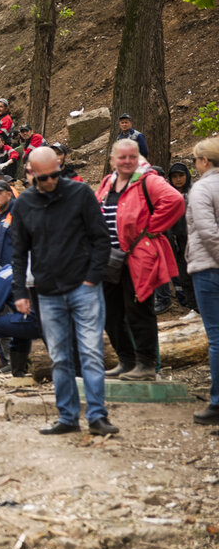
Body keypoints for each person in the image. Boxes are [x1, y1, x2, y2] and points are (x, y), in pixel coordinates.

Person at [11, 146, 116, 436]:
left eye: (55, 175)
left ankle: (97, 415)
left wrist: (93, 277)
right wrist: (20, 291)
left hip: (84, 286)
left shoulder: (80, 194)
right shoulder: (24, 205)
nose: (50, 182)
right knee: (59, 357)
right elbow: (19, 252)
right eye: (44, 178)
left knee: (91, 352)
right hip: (47, 291)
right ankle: (68, 416)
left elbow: (101, 238)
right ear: (31, 174)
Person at [95, 138, 184, 380]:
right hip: (111, 258)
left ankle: (145, 364)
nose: (126, 162)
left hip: (138, 257)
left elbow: (174, 201)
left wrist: (152, 228)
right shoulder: (107, 183)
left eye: (131, 157)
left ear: (138, 159)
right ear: (113, 160)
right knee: (109, 313)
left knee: (138, 310)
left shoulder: (148, 180)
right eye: (121, 157)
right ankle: (126, 360)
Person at [187, 138, 219, 424]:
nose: (194, 165)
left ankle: (217, 402)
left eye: (196, 160)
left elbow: (207, 232)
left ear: (205, 161)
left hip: (209, 268)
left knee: (217, 337)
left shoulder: (202, 188)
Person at [157, 161, 196, 312]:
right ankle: (190, 305)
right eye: (175, 177)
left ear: (187, 175)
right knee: (182, 275)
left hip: (193, 239)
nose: (178, 179)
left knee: (196, 273)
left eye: (181, 175)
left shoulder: (194, 193)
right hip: (175, 240)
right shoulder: (167, 195)